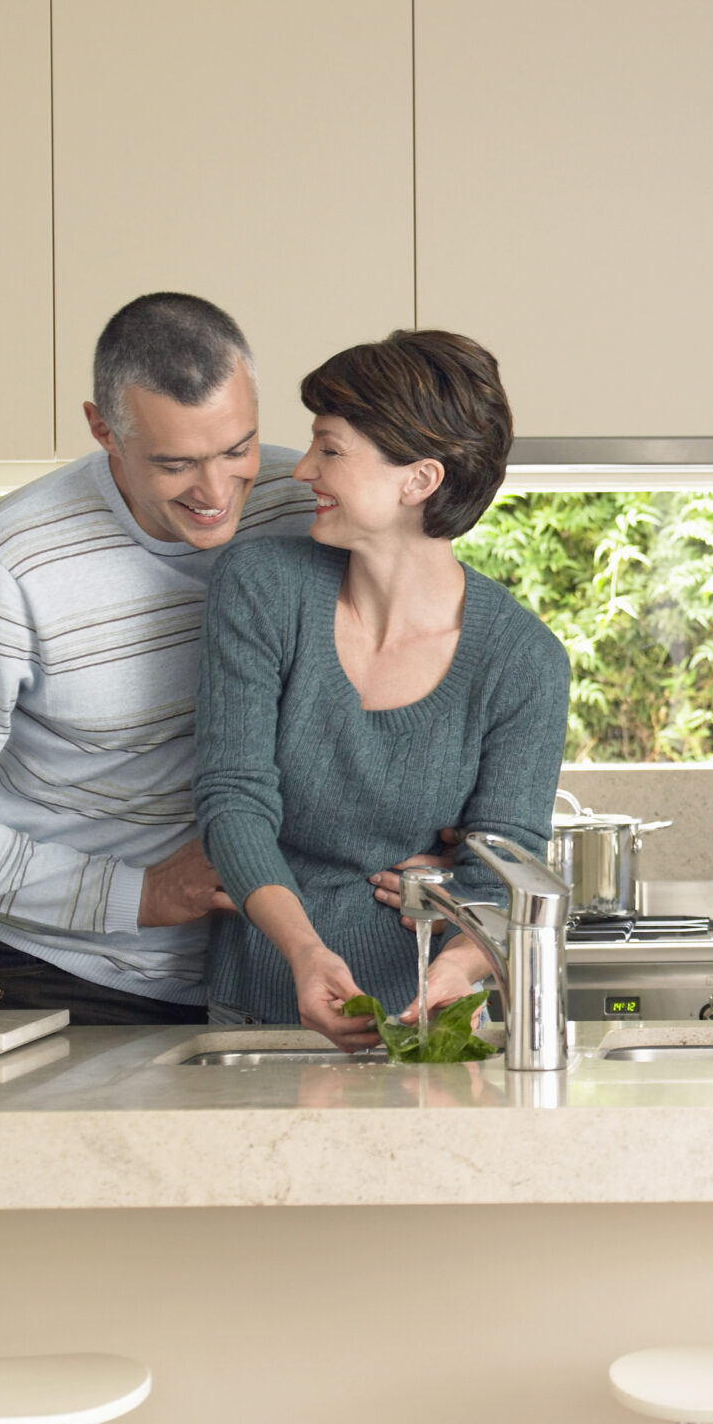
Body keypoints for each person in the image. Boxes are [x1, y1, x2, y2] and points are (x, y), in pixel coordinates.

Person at [0, 293, 317, 1023]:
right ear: (103, 428)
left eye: (238, 449)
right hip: (64, 977)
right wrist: (137, 895)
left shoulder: (304, 506)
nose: (216, 491)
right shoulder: (10, 562)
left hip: (276, 977)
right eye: (175, 463)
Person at [193, 329, 569, 1039]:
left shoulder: (524, 662)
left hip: (424, 1026)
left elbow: (502, 873)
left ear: (419, 480)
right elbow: (232, 801)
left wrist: (457, 971)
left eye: (329, 449)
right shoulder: (260, 589)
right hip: (255, 1012)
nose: (303, 469)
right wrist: (305, 954)